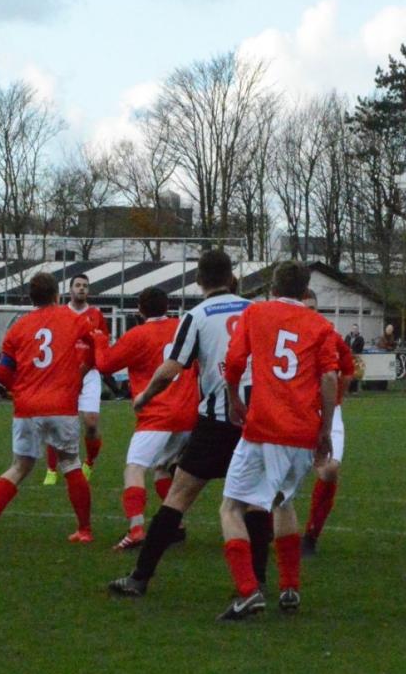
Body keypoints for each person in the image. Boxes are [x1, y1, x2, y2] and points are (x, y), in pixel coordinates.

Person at [108, 249, 251, 599]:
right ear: (232, 276)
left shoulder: (198, 315)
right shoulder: (254, 310)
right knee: (255, 503)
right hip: (255, 420)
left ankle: (140, 577)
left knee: (177, 497)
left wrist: (144, 397)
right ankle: (258, 583)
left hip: (217, 421)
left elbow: (173, 367)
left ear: (199, 280)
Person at [217, 260, 339, 619]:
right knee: (283, 502)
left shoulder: (256, 314)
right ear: (305, 291)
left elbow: (234, 361)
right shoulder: (320, 324)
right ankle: (290, 587)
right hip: (303, 429)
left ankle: (248, 590)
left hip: (265, 426)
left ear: (273, 286)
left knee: (231, 507)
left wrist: (234, 399)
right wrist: (325, 429)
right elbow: (330, 380)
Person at [0, 272, 96, 543]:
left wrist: (17, 389)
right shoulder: (73, 319)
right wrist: (82, 371)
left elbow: (3, 372)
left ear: (31, 298)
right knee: (71, 464)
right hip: (61, 405)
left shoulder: (18, 327)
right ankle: (84, 530)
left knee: (19, 466)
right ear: (57, 295)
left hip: (27, 406)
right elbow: (94, 346)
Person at [93, 287, 199, 551]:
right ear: (169, 306)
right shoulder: (182, 327)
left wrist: (99, 340)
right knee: (163, 467)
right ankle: (176, 525)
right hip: (188, 413)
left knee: (135, 468)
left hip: (157, 414)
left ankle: (136, 528)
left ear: (139, 310)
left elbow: (105, 364)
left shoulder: (138, 335)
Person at [301, 288, 356, 557]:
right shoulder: (283, 334)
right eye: (304, 309)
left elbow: (348, 368)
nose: (308, 314)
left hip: (327, 412)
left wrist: (335, 399)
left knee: (330, 469)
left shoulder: (329, 334)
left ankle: (311, 535)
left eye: (313, 309)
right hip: (293, 412)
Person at [44, 275, 109, 484]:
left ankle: (89, 462)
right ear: (70, 290)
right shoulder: (59, 314)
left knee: (90, 423)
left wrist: (89, 366)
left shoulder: (96, 314)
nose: (81, 289)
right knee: (56, 423)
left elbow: (101, 344)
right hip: (63, 374)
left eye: (85, 286)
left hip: (89, 374)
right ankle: (51, 470)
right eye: (78, 285)